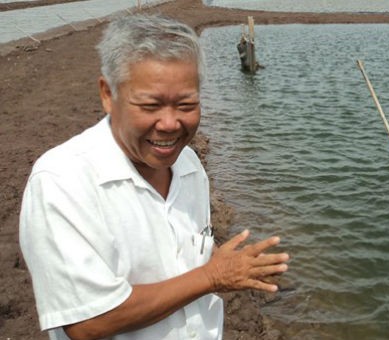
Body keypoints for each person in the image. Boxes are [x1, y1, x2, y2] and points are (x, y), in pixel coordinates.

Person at [19, 14, 289, 340]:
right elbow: (88, 321)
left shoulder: (188, 163)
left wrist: (223, 261)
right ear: (108, 94)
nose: (170, 124)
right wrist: (214, 276)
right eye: (150, 105)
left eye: (186, 104)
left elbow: (178, 255)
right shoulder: (62, 181)